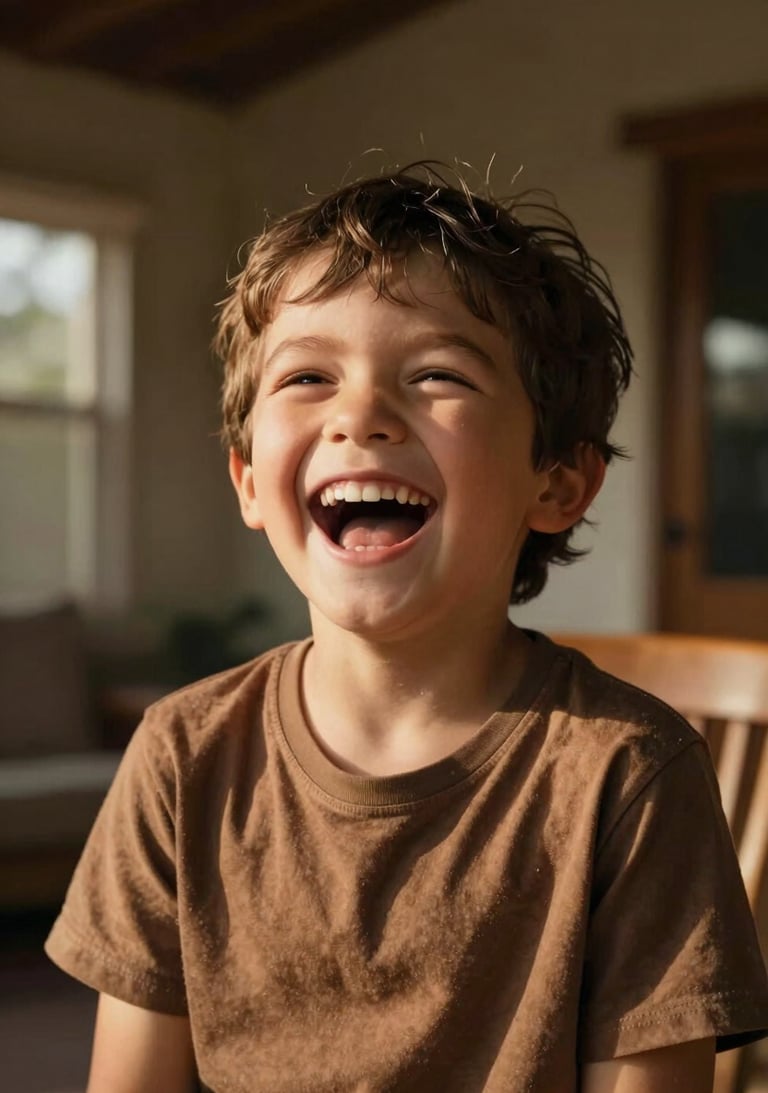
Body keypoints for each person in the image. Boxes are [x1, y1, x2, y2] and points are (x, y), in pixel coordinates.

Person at [46, 163, 768, 1093]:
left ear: (558, 483)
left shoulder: (630, 774)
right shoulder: (183, 756)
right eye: (307, 375)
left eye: (436, 374)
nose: (360, 416)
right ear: (249, 482)